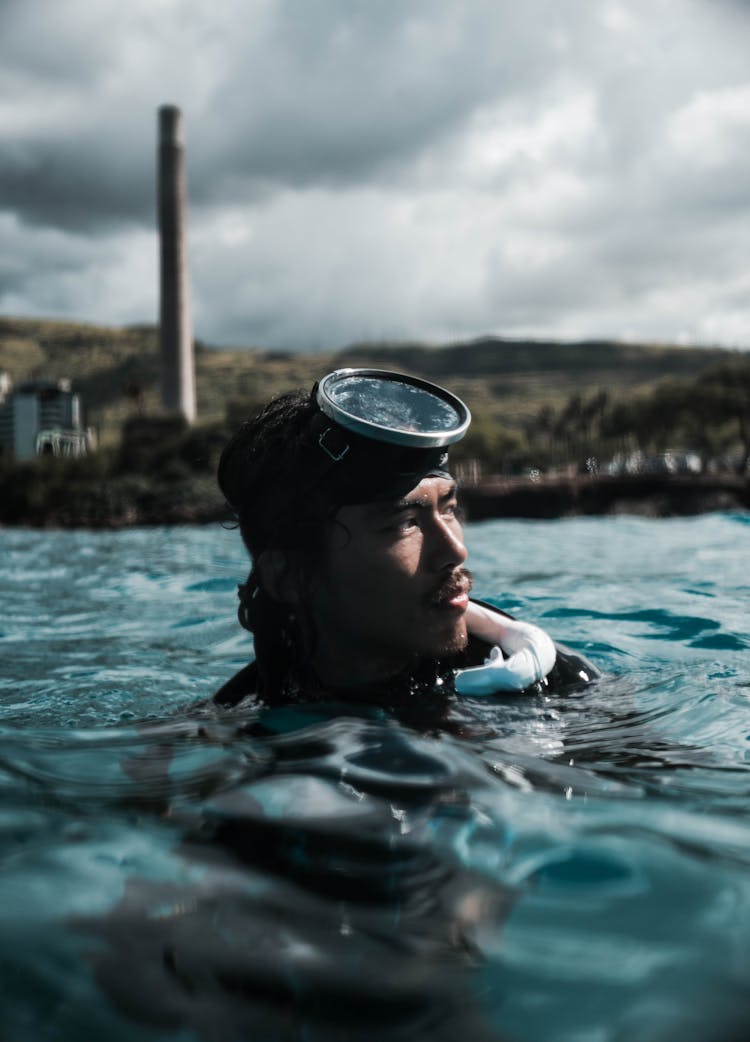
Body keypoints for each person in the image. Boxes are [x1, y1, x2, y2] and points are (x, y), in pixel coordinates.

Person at [213, 368, 598, 715]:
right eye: (405, 523)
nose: (455, 550)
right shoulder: (229, 736)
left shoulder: (555, 687)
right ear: (292, 577)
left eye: (448, 509)